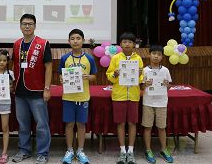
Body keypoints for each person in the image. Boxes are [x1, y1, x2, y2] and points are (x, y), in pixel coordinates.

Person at [11, 14, 52, 164]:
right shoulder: (16, 44)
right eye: (24, 24)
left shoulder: (43, 43)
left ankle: (43, 153)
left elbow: (48, 67)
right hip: (19, 91)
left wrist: (47, 88)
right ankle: (24, 150)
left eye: (30, 24)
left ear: (35, 26)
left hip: (37, 91)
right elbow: (14, 65)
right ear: (20, 26)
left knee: (41, 124)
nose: (27, 26)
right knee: (23, 124)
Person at [59, 29, 97, 164]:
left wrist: (88, 77)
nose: (75, 41)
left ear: (83, 41)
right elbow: (60, 75)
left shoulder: (89, 58)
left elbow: (94, 76)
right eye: (73, 38)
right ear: (68, 41)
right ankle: (69, 150)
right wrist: (62, 79)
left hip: (83, 97)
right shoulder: (64, 58)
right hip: (68, 97)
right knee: (69, 124)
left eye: (78, 38)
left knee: (81, 124)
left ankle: (80, 150)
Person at [106, 32, 144, 164]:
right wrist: (115, 74)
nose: (127, 44)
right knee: (121, 123)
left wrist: (140, 75)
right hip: (119, 96)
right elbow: (109, 75)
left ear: (134, 44)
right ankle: (122, 151)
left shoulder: (138, 59)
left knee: (132, 123)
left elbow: (141, 78)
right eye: (124, 42)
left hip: (133, 96)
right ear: (120, 44)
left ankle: (131, 151)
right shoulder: (116, 58)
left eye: (130, 42)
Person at [141, 45, 174, 164]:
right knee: (148, 127)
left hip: (162, 103)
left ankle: (164, 149)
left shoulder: (165, 70)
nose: (156, 56)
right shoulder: (145, 70)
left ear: (162, 57)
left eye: (159, 54)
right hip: (148, 102)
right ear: (149, 55)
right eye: (154, 53)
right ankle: (148, 150)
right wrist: (145, 84)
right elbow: (140, 86)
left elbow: (169, 85)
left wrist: (167, 84)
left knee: (161, 127)